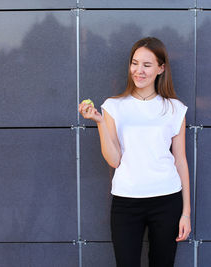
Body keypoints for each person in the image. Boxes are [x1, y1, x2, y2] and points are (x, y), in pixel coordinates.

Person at [78, 37, 191, 267]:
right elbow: (114, 159)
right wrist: (99, 122)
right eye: (135, 63)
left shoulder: (175, 109)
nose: (138, 70)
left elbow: (181, 161)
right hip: (126, 202)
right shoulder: (113, 106)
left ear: (161, 69)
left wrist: (186, 213)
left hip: (167, 201)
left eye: (147, 65)